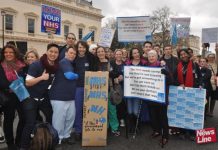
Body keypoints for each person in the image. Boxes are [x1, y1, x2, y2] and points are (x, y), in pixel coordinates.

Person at [20, 43, 59, 149]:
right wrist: (41, 78)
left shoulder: (55, 66)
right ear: (47, 52)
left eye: (56, 52)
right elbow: (28, 82)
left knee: (51, 117)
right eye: (51, 51)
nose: (53, 54)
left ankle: (49, 142)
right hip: (30, 98)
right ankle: (23, 147)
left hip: (43, 98)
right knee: (30, 123)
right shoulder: (37, 64)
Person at [50, 46, 78, 145]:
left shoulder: (70, 63)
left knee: (70, 118)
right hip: (59, 97)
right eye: (71, 53)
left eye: (74, 54)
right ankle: (57, 140)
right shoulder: (64, 62)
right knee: (59, 120)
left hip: (69, 97)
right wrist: (77, 75)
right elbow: (69, 76)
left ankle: (66, 136)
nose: (73, 55)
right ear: (66, 53)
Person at [0, 44, 26, 150]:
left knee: (23, 117)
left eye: (11, 52)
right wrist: (14, 85)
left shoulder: (21, 64)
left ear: (15, 53)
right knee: (9, 120)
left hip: (21, 94)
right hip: (8, 96)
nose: (8, 54)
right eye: (6, 52)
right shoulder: (1, 65)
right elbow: (1, 83)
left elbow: (26, 77)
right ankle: (10, 144)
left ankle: (19, 140)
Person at [174, 48, 202, 141]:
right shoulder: (177, 66)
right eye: (181, 54)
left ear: (188, 55)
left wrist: (200, 85)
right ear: (179, 57)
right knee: (181, 112)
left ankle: (192, 132)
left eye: (184, 54)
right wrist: (179, 83)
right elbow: (174, 78)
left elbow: (200, 77)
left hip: (192, 92)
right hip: (181, 92)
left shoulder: (194, 65)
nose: (183, 56)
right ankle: (182, 131)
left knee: (191, 112)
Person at [74, 41, 97, 141]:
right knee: (78, 109)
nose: (81, 49)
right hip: (77, 87)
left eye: (83, 47)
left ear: (86, 48)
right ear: (77, 48)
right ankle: (78, 131)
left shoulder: (91, 57)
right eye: (79, 47)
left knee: (90, 109)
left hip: (90, 87)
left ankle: (90, 130)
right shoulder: (74, 57)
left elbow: (96, 69)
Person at [147, 50, 170, 147]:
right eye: (150, 56)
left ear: (157, 56)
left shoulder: (162, 65)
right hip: (150, 96)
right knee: (153, 116)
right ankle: (157, 131)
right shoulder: (146, 67)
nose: (151, 57)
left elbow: (170, 79)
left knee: (163, 117)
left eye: (153, 56)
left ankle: (165, 136)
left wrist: (166, 73)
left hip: (160, 96)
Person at [96, 46, 120, 136]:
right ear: (96, 53)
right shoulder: (94, 63)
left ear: (104, 53)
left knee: (112, 110)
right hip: (97, 91)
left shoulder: (111, 63)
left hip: (109, 89)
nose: (101, 53)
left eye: (102, 51)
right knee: (100, 111)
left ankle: (114, 128)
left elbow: (115, 74)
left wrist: (106, 73)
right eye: (99, 52)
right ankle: (103, 127)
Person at [125, 48, 147, 134]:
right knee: (130, 111)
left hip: (139, 90)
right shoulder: (127, 63)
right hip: (129, 90)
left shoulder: (144, 63)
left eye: (138, 52)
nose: (137, 54)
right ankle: (132, 126)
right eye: (134, 53)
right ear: (131, 55)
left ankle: (137, 126)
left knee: (135, 110)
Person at [110, 49, 126, 127]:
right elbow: (110, 73)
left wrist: (123, 76)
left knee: (121, 103)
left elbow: (128, 73)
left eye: (120, 54)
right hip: (113, 86)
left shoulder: (125, 64)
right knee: (113, 103)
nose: (118, 55)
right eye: (117, 54)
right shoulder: (111, 63)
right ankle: (115, 119)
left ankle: (122, 119)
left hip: (122, 86)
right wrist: (116, 77)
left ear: (122, 55)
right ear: (115, 55)